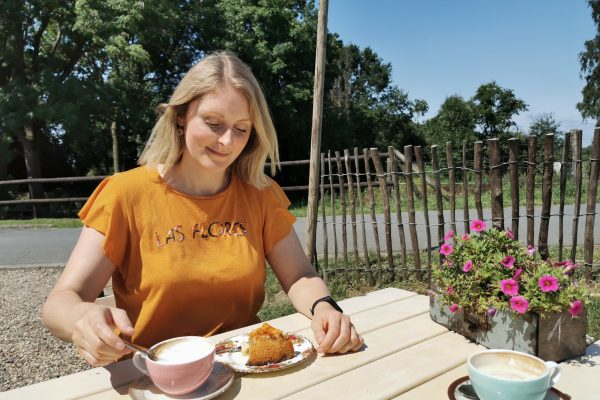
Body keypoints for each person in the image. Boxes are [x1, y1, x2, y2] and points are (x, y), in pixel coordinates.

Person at [42, 51, 364, 367]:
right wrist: (82, 318)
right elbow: (60, 302)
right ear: (181, 116)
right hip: (153, 374)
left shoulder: (260, 194)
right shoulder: (124, 195)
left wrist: (324, 307)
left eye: (242, 129)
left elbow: (299, 276)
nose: (227, 141)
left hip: (243, 364)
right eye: (213, 123)